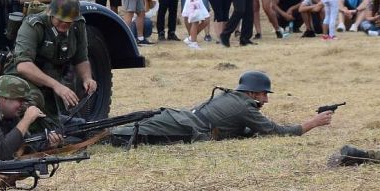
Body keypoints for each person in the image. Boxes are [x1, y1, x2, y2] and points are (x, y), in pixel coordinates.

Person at [110, 71, 333, 145]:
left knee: (132, 126)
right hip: (186, 126)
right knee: (126, 133)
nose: (266, 99)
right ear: (252, 93)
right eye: (264, 94)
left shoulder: (235, 97)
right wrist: (313, 123)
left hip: (182, 117)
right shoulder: (245, 106)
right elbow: (275, 132)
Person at [3, 0, 96, 129]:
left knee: (55, 128)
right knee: (34, 114)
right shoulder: (34, 25)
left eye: (68, 21)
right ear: (51, 14)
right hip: (22, 80)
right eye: (60, 19)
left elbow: (81, 59)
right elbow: (23, 66)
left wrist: (87, 78)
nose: (64, 24)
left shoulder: (78, 25)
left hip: (49, 81)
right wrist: (57, 86)